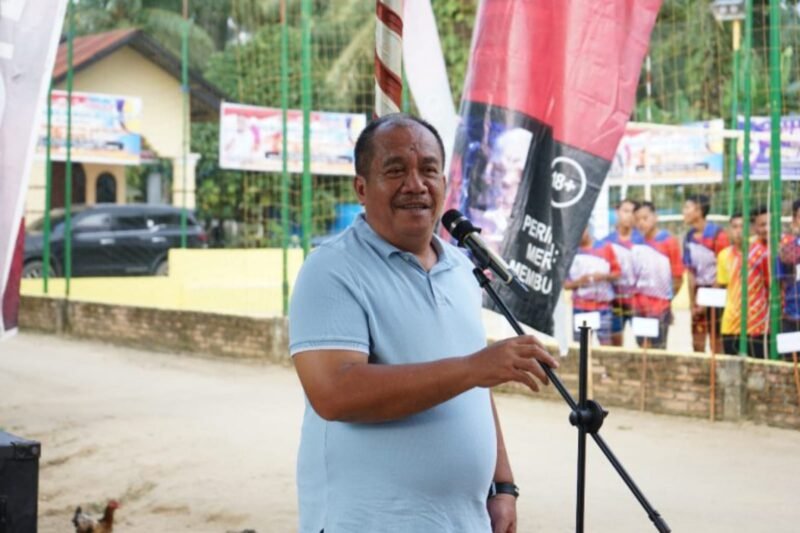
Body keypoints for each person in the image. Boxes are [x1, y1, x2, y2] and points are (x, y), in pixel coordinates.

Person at [288, 113, 558, 533]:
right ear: (362, 188)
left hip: (463, 521)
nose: (415, 184)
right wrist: (474, 367)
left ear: (444, 184)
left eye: (428, 169)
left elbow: (474, 386)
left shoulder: (459, 266)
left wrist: (502, 485)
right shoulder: (332, 269)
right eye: (395, 170)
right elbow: (335, 393)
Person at [716, 208, 771, 358]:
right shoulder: (723, 256)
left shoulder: (761, 254)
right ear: (729, 230)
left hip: (756, 325)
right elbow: (723, 286)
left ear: (751, 229)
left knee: (757, 372)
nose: (738, 231)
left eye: (742, 226)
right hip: (730, 325)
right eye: (734, 227)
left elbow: (770, 286)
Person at [630, 201, 684, 349]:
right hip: (638, 306)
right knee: (642, 346)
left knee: (658, 348)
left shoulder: (669, 242)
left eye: (645, 218)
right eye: (637, 220)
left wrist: (667, 300)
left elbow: (678, 277)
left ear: (655, 217)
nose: (641, 223)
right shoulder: (635, 243)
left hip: (660, 307)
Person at [682, 194, 729, 353]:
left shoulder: (718, 235)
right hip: (699, 293)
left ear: (699, 210)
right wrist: (693, 303)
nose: (684, 212)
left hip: (717, 293)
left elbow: (722, 273)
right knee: (697, 342)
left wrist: (705, 301)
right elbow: (690, 272)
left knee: (717, 342)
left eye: (687, 207)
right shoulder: (688, 237)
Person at [564, 228, 621, 345]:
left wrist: (604, 276)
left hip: (603, 307)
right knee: (582, 347)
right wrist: (580, 281)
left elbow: (617, 274)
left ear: (586, 228)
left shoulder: (605, 248)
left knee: (606, 346)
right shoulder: (569, 253)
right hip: (580, 307)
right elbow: (565, 285)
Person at [601, 199, 644, 346]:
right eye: (626, 211)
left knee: (644, 343)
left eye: (633, 212)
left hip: (637, 302)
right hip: (614, 302)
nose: (629, 216)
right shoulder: (607, 242)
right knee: (615, 343)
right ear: (617, 212)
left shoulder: (642, 240)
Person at [778, 200, 800, 356]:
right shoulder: (786, 251)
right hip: (792, 318)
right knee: (789, 369)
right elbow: (779, 285)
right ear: (794, 220)